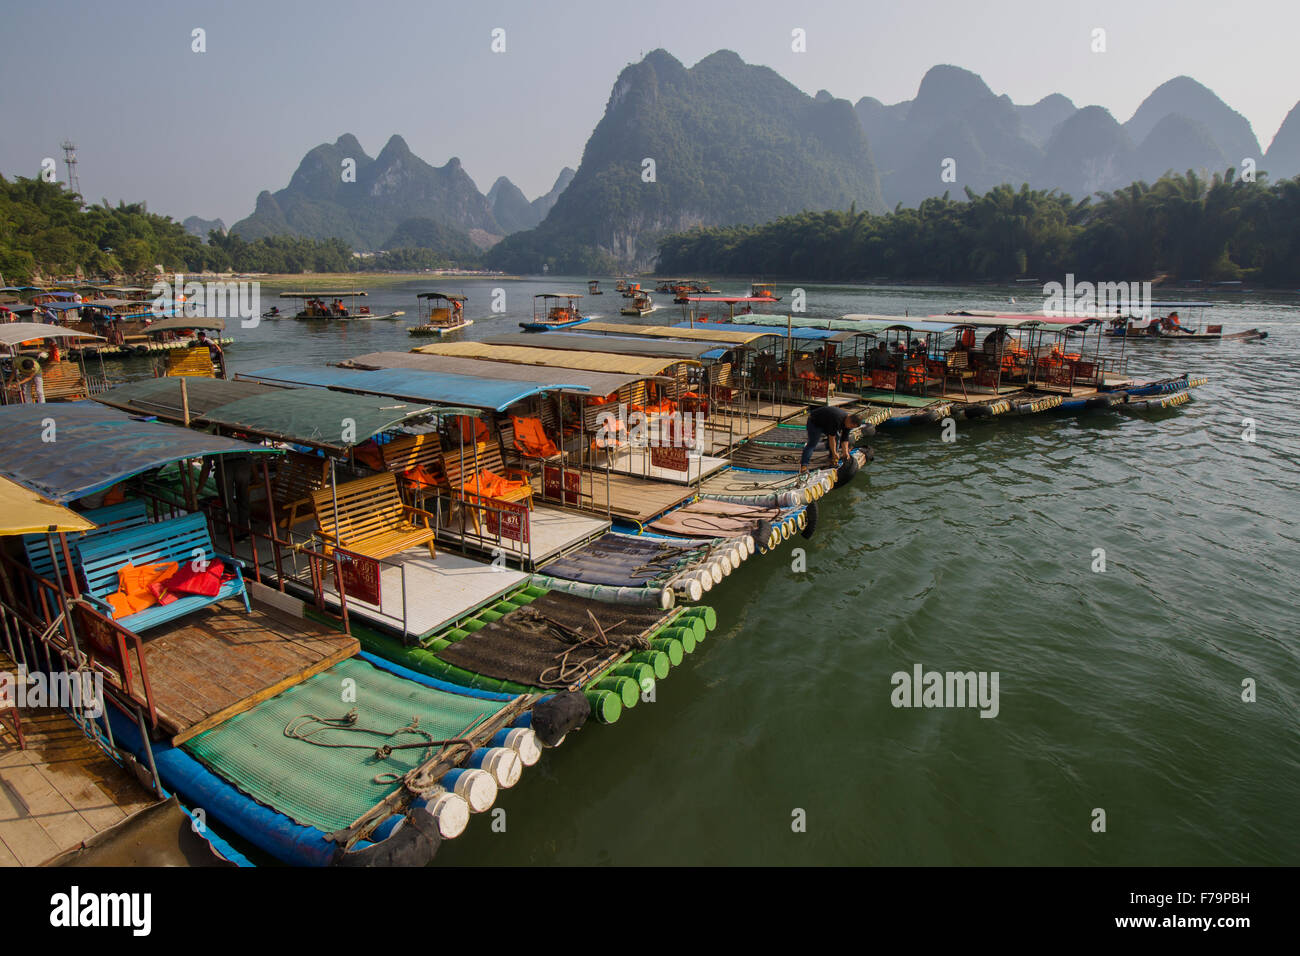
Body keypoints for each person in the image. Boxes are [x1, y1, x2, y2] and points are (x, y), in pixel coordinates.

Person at [800, 405, 862, 473]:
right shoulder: (837, 418)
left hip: (826, 423)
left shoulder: (848, 424)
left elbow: (845, 439)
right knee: (812, 443)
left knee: (837, 438)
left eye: (852, 427)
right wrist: (835, 453)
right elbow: (831, 438)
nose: (850, 428)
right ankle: (804, 465)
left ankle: (832, 460)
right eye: (851, 426)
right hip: (815, 423)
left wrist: (845, 452)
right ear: (849, 420)